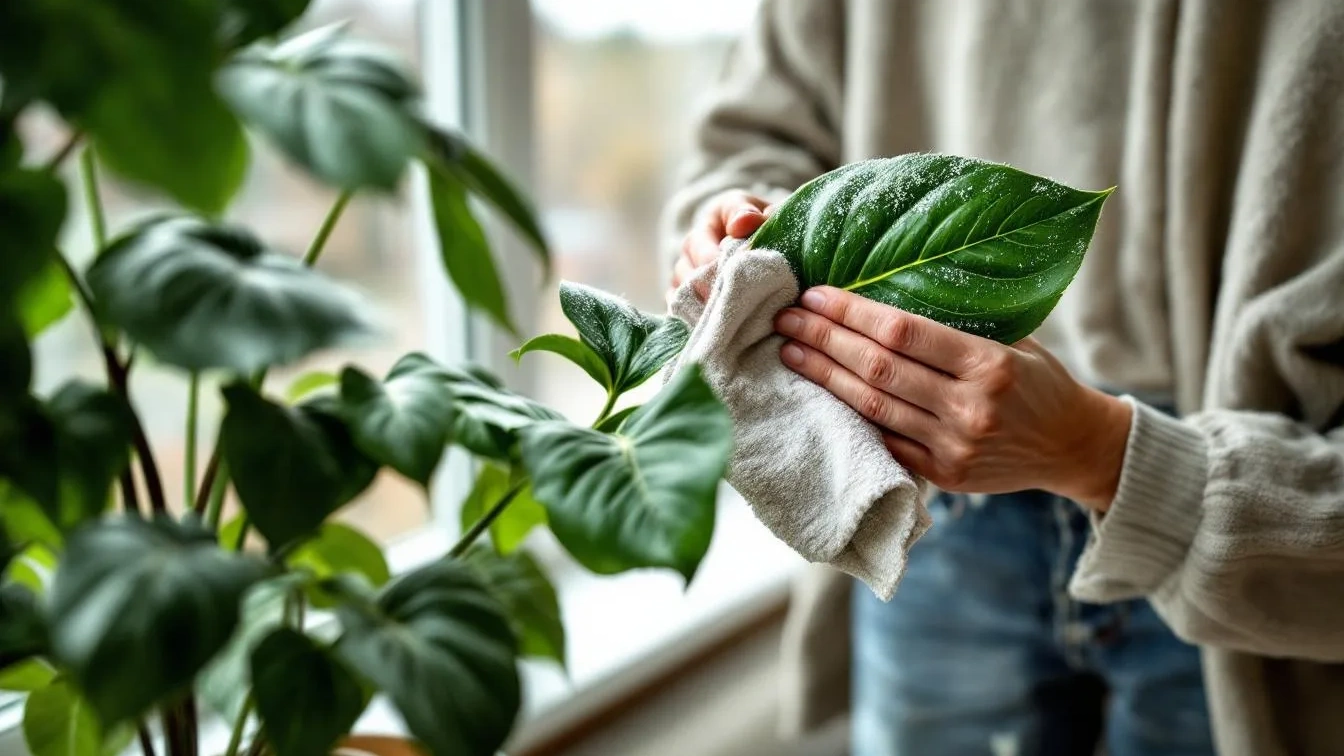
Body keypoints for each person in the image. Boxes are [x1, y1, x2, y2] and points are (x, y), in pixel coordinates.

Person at [662, 1, 1344, 755]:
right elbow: (753, 136)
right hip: (926, 493)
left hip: (1240, 523)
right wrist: (731, 229)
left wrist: (1101, 454)